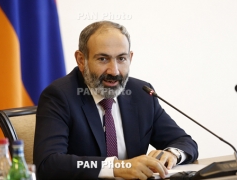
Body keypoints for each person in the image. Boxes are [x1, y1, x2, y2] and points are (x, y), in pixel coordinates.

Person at [33, 20, 198, 180]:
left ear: (130, 58)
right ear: (81, 60)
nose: (114, 71)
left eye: (121, 58)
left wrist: (171, 154)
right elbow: (48, 164)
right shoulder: (59, 96)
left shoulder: (141, 93)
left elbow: (184, 142)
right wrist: (119, 167)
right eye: (103, 59)